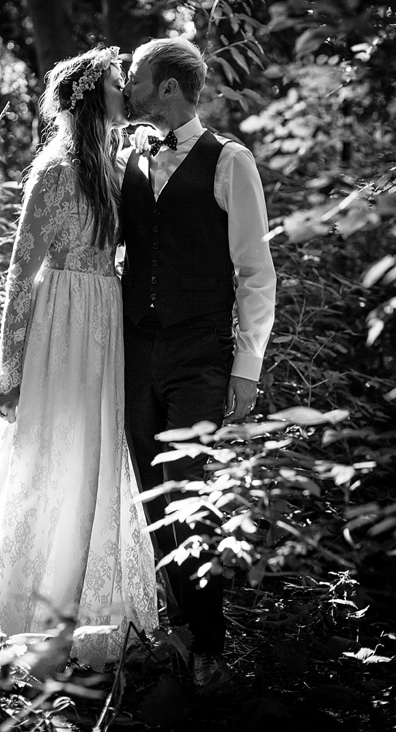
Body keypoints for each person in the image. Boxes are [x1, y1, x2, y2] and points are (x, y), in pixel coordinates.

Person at [0, 46, 157, 673]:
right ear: (87, 98)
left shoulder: (114, 163)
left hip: (105, 316)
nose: (123, 93)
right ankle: (29, 623)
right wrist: (10, 368)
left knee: (97, 458)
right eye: (112, 85)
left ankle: (86, 618)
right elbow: (22, 271)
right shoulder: (53, 169)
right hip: (59, 324)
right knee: (53, 459)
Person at [118, 37, 276, 686]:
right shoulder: (125, 156)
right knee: (151, 502)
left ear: (167, 89)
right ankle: (173, 636)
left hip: (200, 357)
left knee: (190, 496)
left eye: (134, 77)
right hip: (135, 351)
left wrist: (246, 369)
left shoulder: (229, 161)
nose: (125, 87)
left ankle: (209, 645)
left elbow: (256, 272)